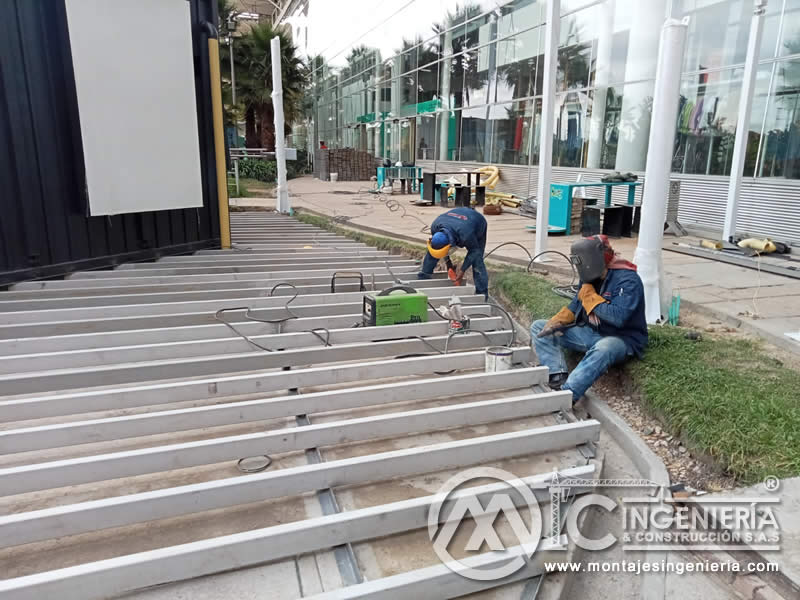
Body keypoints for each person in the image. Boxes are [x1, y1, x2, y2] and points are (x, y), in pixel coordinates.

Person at [531, 234, 648, 405]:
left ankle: (567, 395)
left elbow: (618, 318)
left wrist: (591, 298)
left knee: (604, 348)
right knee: (538, 327)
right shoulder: (589, 275)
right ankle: (557, 377)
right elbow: (576, 304)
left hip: (620, 339)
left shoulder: (628, 280)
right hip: (591, 332)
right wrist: (559, 320)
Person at [418, 206, 488, 299]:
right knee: (432, 252)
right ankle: (424, 277)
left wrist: (462, 271)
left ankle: (482, 294)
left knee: (477, 259)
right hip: (458, 218)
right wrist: (449, 265)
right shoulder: (435, 227)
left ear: (450, 245)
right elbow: (441, 249)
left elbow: (473, 251)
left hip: (477, 221)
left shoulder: (466, 235)